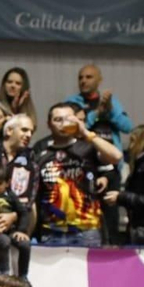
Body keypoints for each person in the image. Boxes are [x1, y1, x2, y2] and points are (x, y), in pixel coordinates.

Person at [33, 102, 123, 247]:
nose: (63, 124)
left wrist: (86, 133)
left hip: (87, 230)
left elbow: (116, 156)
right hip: (51, 231)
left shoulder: (87, 148)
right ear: (49, 124)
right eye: (58, 120)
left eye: (68, 119)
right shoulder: (40, 155)